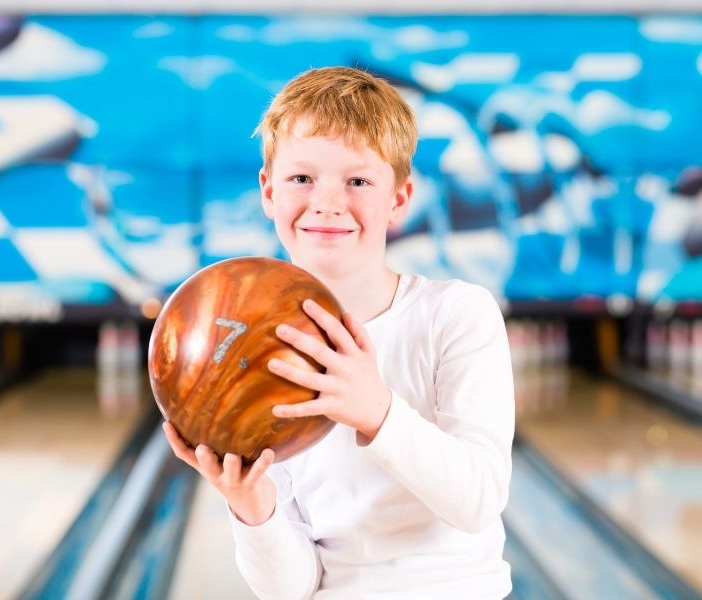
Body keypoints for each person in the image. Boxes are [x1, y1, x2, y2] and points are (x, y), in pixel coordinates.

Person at [162, 66, 515, 599]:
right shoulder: (257, 359)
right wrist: (252, 505)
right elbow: (292, 588)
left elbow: (478, 500)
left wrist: (376, 410)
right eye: (302, 178)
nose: (327, 201)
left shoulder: (458, 314)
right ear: (268, 191)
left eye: (357, 181)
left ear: (399, 198)